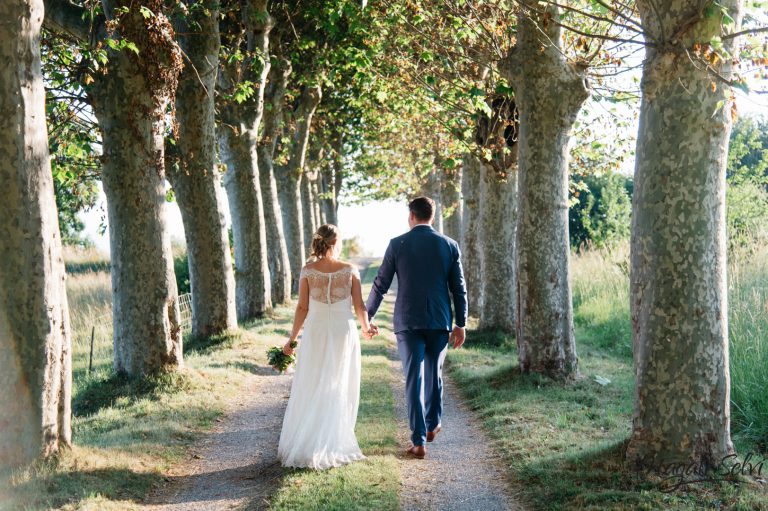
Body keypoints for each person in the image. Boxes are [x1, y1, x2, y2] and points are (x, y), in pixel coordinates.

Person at [366, 196, 468, 459]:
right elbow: (459, 288)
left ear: (411, 216)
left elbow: (380, 284)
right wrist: (461, 323)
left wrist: (368, 316)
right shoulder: (449, 245)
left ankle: (418, 440)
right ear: (432, 217)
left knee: (414, 378)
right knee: (434, 372)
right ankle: (433, 424)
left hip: (408, 322)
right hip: (439, 320)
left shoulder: (397, 244)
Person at [277, 224, 374, 469]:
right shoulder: (350, 269)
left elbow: (302, 308)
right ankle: (332, 442)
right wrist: (366, 328)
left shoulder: (308, 271)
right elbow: (359, 306)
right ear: (336, 242)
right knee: (338, 381)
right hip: (343, 330)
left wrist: (292, 339)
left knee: (312, 381)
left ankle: (309, 441)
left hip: (316, 330)